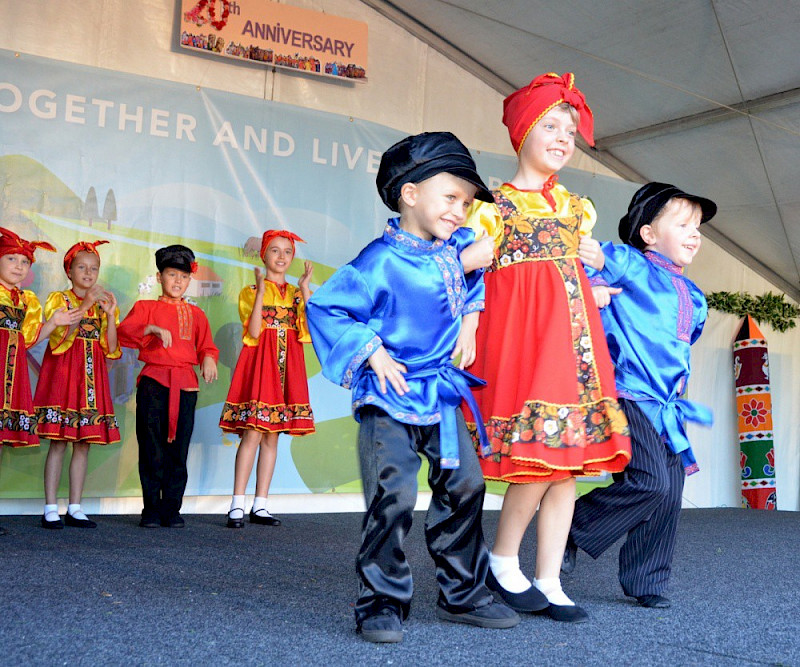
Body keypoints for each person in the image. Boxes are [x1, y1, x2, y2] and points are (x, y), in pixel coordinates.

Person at [306, 132, 520, 643]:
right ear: (409, 194)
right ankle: (381, 602)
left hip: (442, 393)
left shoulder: (459, 248)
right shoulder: (378, 260)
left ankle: (463, 593)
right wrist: (372, 351)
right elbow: (327, 307)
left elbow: (470, 281)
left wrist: (470, 321)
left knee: (467, 483)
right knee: (393, 494)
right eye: (450, 198)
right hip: (390, 393)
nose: (460, 211)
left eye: (467, 203)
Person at [463, 73, 631, 623]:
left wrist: (595, 285)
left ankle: (550, 577)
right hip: (528, 345)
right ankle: (502, 557)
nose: (563, 136)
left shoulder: (578, 209)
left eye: (570, 129)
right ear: (521, 133)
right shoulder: (495, 207)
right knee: (540, 459)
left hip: (577, 347)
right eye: (550, 125)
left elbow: (577, 272)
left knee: (569, 466)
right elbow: (471, 279)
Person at [562, 182, 715, 609]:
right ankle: (570, 527)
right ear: (648, 233)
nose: (694, 233)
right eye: (682, 223)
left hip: (668, 407)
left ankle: (646, 580)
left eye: (698, 226)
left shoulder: (695, 295)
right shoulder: (631, 263)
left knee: (668, 493)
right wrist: (590, 252)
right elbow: (594, 257)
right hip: (629, 394)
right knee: (648, 481)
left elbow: (682, 344)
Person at [117, 245, 218, 528]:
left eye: (183, 277)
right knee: (151, 448)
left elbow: (207, 346)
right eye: (172, 274)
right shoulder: (145, 307)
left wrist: (208, 359)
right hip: (154, 382)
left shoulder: (196, 315)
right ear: (160, 276)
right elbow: (124, 332)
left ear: (189, 280)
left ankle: (171, 509)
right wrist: (150, 328)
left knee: (179, 450)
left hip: (185, 385)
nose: (177, 281)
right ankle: (150, 509)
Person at [219, 230, 314, 528]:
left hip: (289, 366)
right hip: (262, 365)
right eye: (275, 250)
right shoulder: (250, 290)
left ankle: (261, 504)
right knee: (254, 433)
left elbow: (309, 330)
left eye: (287, 251)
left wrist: (306, 288)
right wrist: (261, 291)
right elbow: (255, 331)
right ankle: (237, 503)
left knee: (272, 436)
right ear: (264, 255)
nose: (282, 256)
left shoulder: (298, 294)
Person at [35, 240, 121, 530]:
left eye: (93, 268)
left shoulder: (103, 302)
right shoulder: (60, 299)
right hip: (64, 375)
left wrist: (109, 315)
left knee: (83, 444)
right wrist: (85, 305)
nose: (88, 273)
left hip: (90, 380)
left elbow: (111, 349)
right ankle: (50, 507)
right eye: (81, 267)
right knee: (59, 443)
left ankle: (75, 506)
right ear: (69, 271)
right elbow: (58, 339)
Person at [0, 227, 80, 536]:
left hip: (10, 375)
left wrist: (55, 322)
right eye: (11, 258)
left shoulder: (27, 300)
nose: (19, 266)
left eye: (25, 261)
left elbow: (29, 338)